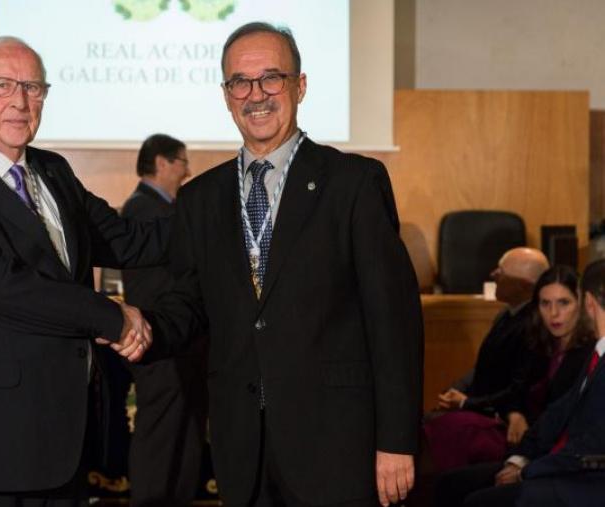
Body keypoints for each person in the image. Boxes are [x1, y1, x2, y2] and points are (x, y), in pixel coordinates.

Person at [146, 22, 423, 507]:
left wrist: (397, 440)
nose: (256, 95)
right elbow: (187, 307)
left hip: (337, 445)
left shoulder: (353, 183)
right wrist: (139, 327)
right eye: (240, 82)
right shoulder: (199, 200)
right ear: (226, 95)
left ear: (300, 85)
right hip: (242, 448)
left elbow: (393, 322)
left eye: (271, 78)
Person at [0, 36, 166, 506]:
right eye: (2, 85)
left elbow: (127, 240)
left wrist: (227, 208)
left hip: (64, 443)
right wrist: (112, 317)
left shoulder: (53, 170)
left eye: (33, 88)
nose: (20, 102)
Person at [437, 259, 605, 507]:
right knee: (451, 480)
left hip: (579, 476)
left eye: (564, 303)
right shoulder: (544, 341)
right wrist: (519, 457)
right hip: (547, 455)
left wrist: (527, 470)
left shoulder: (589, 351)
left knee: (476, 497)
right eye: (545, 304)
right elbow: (549, 411)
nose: (554, 313)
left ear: (585, 303)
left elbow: (587, 444)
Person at [121, 134, 206, 506]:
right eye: (183, 162)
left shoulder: (163, 209)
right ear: (162, 163)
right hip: (160, 343)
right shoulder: (145, 210)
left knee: (184, 434)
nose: (187, 172)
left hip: (182, 343)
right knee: (160, 436)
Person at [425, 248, 550, 471]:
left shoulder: (535, 326)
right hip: (483, 405)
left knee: (443, 430)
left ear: (525, 286)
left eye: (501, 272)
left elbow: (518, 390)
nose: (493, 275)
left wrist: (466, 403)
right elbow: (483, 365)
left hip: (503, 418)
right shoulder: (506, 314)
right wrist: (456, 391)